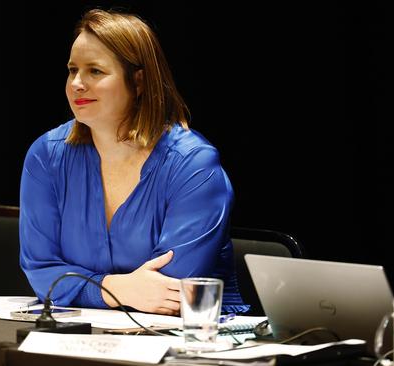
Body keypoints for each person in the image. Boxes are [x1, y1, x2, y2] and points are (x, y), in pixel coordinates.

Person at [19, 9, 245, 315]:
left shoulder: (193, 163)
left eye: (95, 71)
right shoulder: (46, 156)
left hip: (190, 340)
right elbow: (41, 270)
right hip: (85, 332)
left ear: (138, 82)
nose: (77, 84)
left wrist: (86, 288)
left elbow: (169, 289)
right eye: (72, 70)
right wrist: (114, 289)